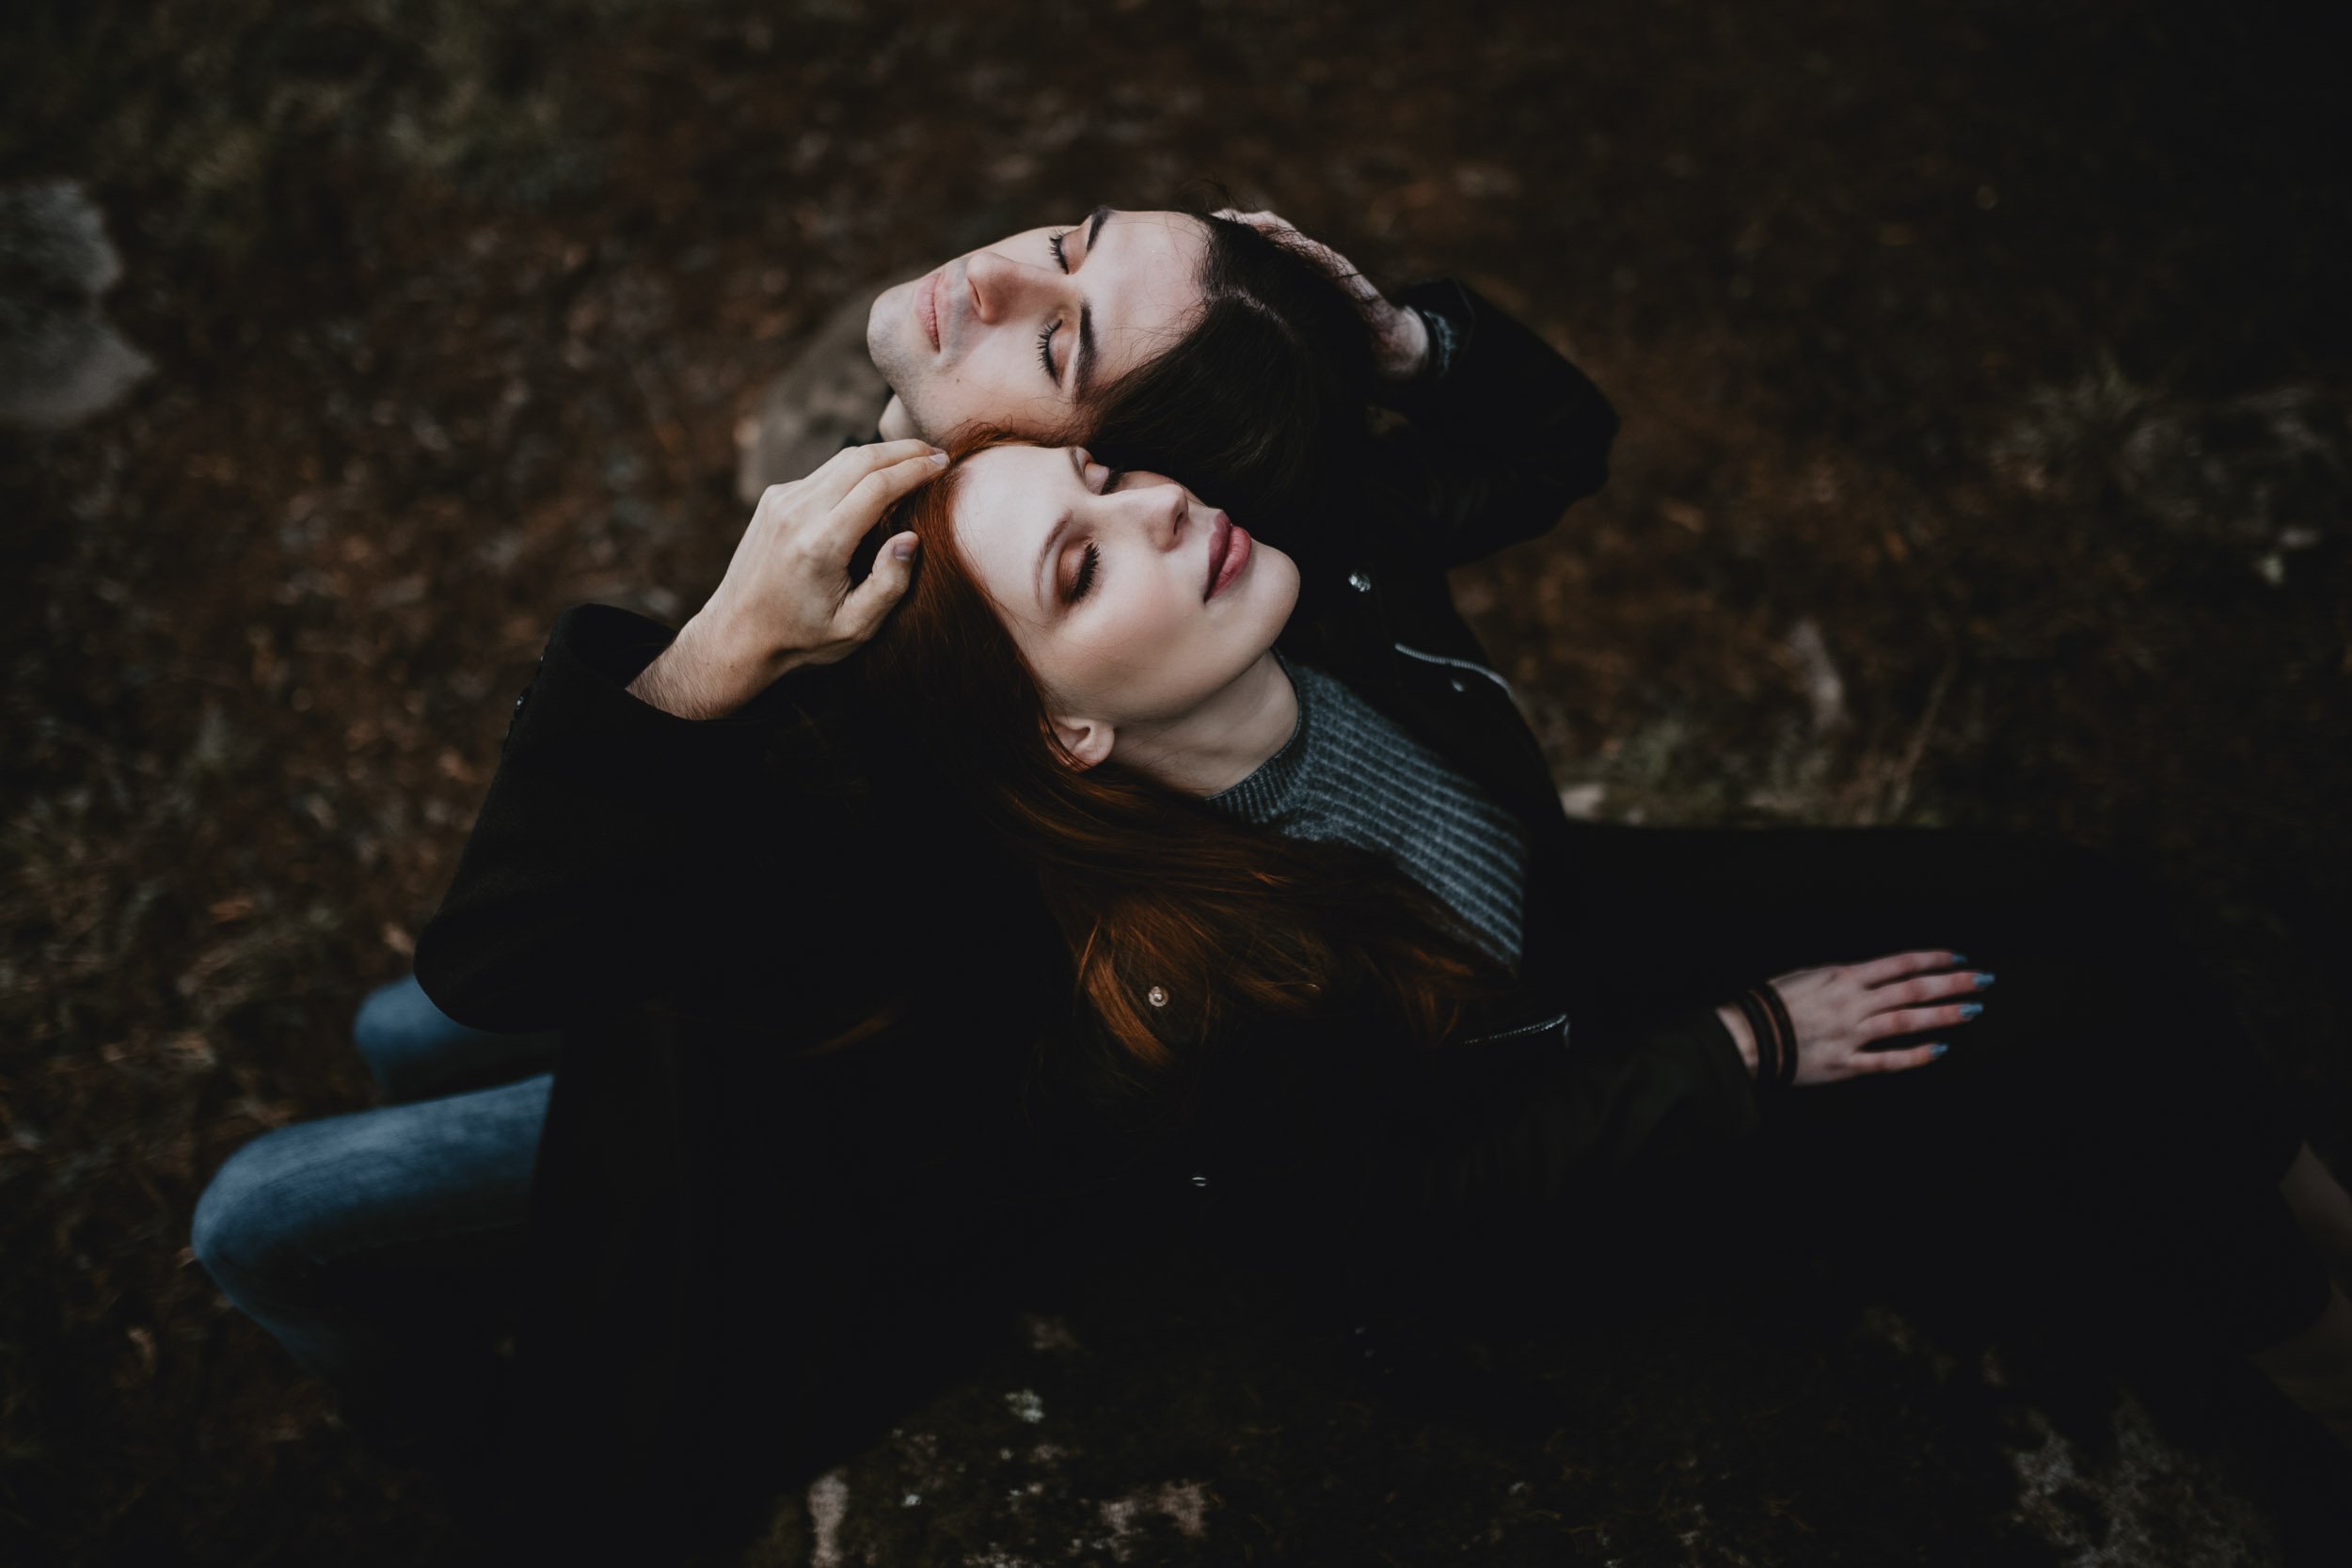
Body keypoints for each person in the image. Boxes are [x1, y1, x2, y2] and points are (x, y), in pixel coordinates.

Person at [190, 207, 1617, 1548]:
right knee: (398, 1035)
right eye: (1071, 240)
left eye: (1061, 345)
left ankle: (427, 1415)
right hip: (656, 947)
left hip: (719, 1086)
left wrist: (710, 662)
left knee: (265, 1218)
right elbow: (1545, 438)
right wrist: (1398, 347)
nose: (991, 270)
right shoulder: (1013, 557)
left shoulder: (936, 802)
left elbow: (520, 953)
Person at [848, 433, 2352, 1451]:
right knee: (2064, 1033)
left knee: (2077, 891)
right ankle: (2310, 1354)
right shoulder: (1197, 1000)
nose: (1157, 505)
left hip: (1578, 927)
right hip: (1580, 1156)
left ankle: (2311, 1201)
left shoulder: (1317, 589)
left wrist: (1387, 329)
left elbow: (1531, 428)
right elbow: (1401, 1221)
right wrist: (1746, 1044)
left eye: (1107, 471)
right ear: (1069, 728)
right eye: (1081, 564)